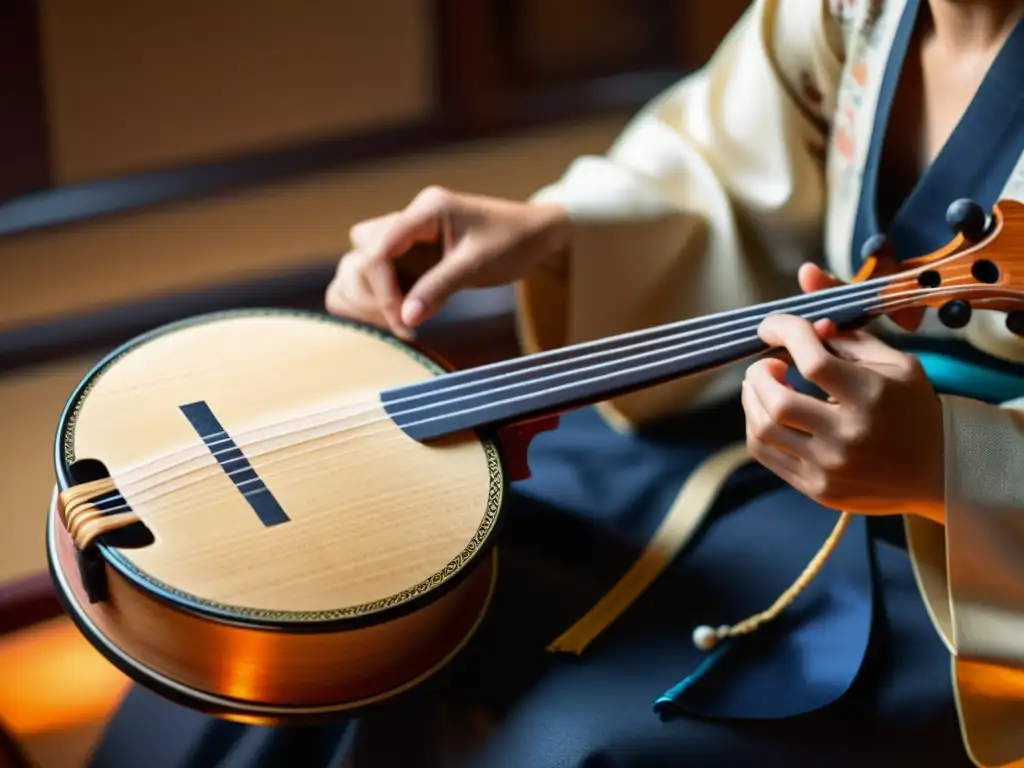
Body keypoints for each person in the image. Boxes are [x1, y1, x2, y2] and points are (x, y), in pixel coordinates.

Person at [88, 0, 1024, 765]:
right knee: (341, 599)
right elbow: (719, 175)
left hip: (966, 552)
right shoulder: (850, 10)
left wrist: (955, 466)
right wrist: (559, 229)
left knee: (574, 748)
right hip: (753, 414)